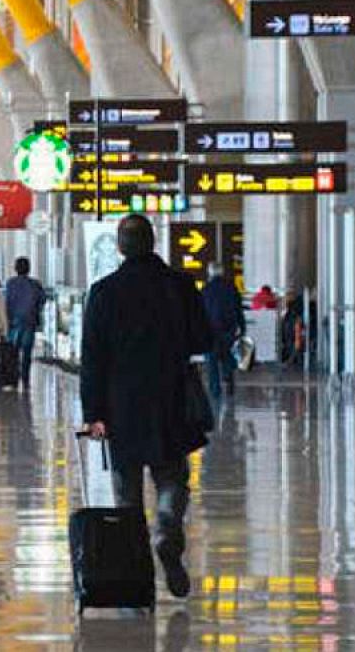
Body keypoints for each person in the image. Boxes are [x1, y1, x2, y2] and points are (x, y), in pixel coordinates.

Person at [80, 215, 211, 600]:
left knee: (126, 494)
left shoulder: (104, 292)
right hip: (171, 400)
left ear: (120, 247)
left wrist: (94, 414)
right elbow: (202, 337)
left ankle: (136, 572)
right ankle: (167, 529)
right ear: (154, 243)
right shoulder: (180, 285)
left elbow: (93, 359)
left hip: (122, 407)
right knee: (172, 478)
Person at [201, 262, 245, 402]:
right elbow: (238, 309)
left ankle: (215, 391)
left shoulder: (206, 289)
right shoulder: (231, 288)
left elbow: (200, 311)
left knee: (212, 360)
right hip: (228, 329)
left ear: (210, 273)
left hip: (210, 329)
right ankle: (228, 377)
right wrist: (242, 327)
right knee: (226, 354)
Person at [4, 257, 48, 390]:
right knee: (27, 351)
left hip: (14, 322)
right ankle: (25, 377)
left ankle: (14, 377)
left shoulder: (10, 283)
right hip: (30, 321)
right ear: (29, 268)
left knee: (13, 351)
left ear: (15, 268)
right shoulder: (35, 284)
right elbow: (43, 299)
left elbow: (7, 302)